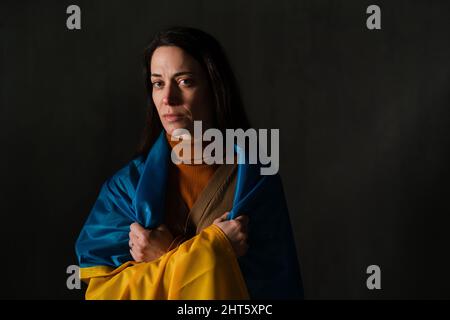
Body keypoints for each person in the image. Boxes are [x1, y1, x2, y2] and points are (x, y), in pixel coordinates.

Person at [75, 26, 303, 299]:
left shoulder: (254, 179)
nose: (168, 99)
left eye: (185, 82)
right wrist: (216, 250)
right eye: (158, 83)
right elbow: (105, 294)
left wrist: (166, 252)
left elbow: (269, 292)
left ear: (214, 87)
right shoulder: (125, 189)